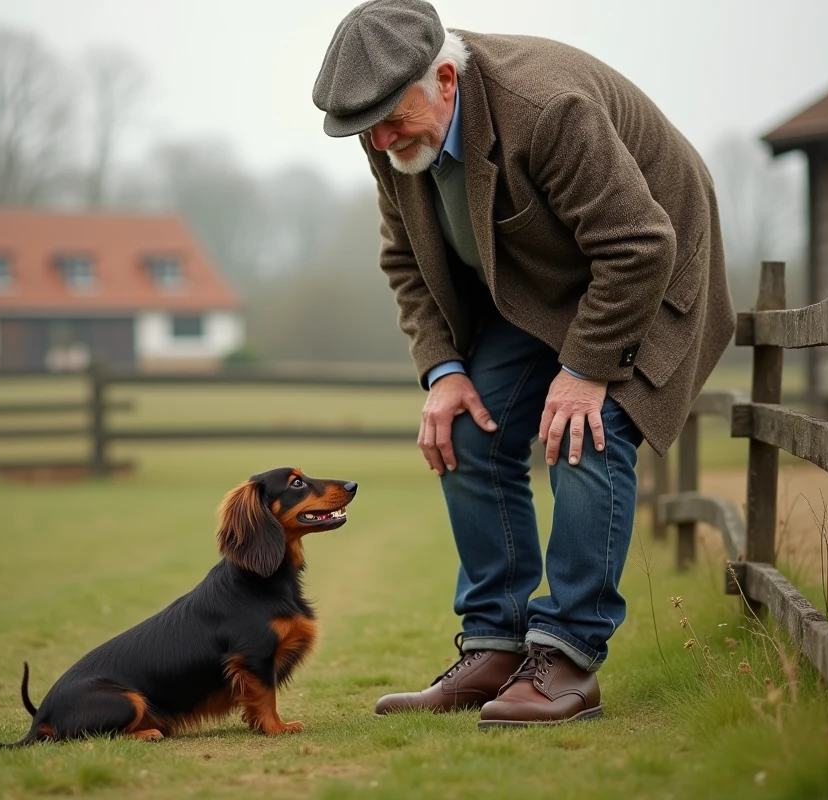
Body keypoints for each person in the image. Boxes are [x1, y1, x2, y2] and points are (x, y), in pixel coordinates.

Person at [313, 0, 734, 727]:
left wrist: (586, 369)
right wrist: (443, 371)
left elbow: (639, 245)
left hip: (651, 274)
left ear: (444, 77)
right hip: (538, 289)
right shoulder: (387, 132)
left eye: (390, 118)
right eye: (364, 128)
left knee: (586, 429)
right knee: (469, 430)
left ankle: (568, 659)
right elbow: (405, 259)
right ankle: (496, 646)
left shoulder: (546, 108)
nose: (380, 141)